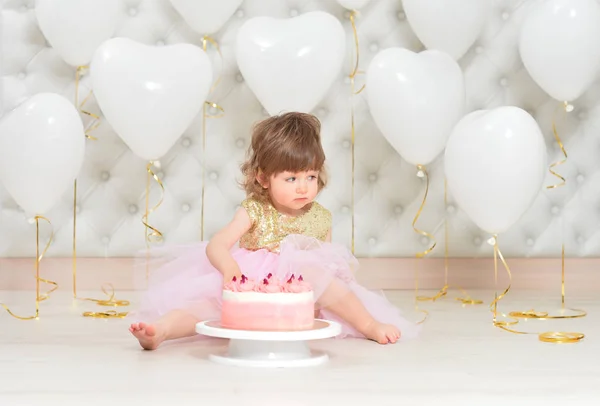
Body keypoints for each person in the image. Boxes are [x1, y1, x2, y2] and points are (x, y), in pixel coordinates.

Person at [129, 112, 421, 350]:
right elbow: (217, 245)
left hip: (298, 290)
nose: (304, 186)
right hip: (253, 282)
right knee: (205, 305)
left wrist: (331, 286)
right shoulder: (254, 209)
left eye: (311, 176)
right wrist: (230, 269)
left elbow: (329, 260)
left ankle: (370, 325)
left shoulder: (321, 217)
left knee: (331, 284)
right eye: (291, 178)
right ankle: (161, 331)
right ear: (263, 178)